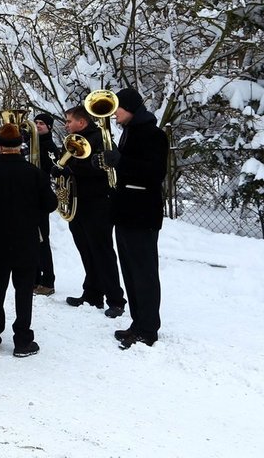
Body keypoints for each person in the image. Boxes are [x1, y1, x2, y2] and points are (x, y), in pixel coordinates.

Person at [0, 123, 58, 357]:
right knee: (23, 292)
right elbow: (51, 204)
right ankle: (22, 340)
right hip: (25, 241)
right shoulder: (33, 173)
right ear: (20, 145)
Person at [102, 88, 169, 348]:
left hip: (142, 214)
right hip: (126, 212)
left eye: (118, 108)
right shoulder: (128, 133)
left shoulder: (154, 135)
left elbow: (155, 173)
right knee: (130, 271)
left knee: (144, 272)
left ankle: (149, 328)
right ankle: (137, 322)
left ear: (131, 108)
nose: (114, 113)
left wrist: (121, 161)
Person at [52, 105, 127, 318]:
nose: (66, 125)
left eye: (69, 121)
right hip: (78, 203)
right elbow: (67, 164)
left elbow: (105, 169)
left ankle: (116, 299)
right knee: (86, 250)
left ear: (82, 122)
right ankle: (92, 294)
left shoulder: (101, 139)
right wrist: (58, 168)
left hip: (98, 203)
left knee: (102, 251)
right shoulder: (72, 140)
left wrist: (72, 170)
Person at [33, 112, 61, 296]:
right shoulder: (30, 143)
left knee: (42, 240)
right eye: (36, 123)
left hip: (41, 199)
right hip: (30, 198)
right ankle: (35, 279)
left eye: (41, 123)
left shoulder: (50, 147)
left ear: (49, 127)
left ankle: (48, 280)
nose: (37, 126)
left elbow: (51, 172)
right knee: (33, 241)